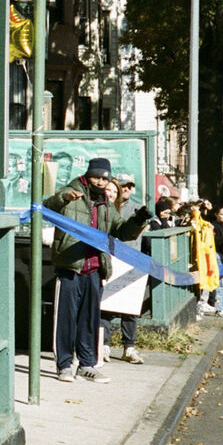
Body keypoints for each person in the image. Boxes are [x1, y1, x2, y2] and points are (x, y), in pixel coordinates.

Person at [43, 157, 149, 383]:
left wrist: (138, 220)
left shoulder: (106, 204)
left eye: (105, 179)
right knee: (66, 319)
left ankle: (87, 365)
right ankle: (64, 365)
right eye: (97, 178)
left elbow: (121, 231)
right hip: (70, 267)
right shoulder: (71, 192)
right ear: (87, 176)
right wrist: (64, 198)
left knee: (90, 320)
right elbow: (47, 207)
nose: (101, 183)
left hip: (95, 268)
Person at [101, 173, 149, 364]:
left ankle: (129, 348)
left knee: (130, 308)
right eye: (123, 186)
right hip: (110, 260)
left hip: (131, 261)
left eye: (129, 185)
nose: (126, 188)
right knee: (104, 306)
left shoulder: (138, 209)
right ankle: (103, 345)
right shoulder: (105, 207)